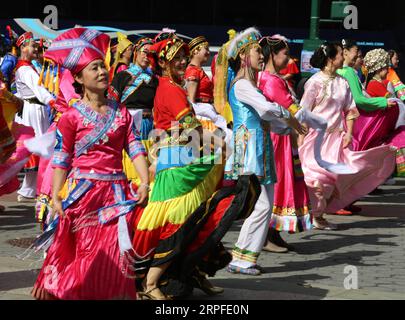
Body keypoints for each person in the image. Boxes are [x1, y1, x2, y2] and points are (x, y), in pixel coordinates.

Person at [132, 37, 261, 299]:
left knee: (196, 221)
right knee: (180, 225)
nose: (182, 61)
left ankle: (191, 272)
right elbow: (191, 128)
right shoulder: (170, 89)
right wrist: (221, 145)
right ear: (165, 62)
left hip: (185, 158)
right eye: (177, 58)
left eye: (184, 56)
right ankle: (151, 283)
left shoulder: (171, 86)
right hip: (178, 163)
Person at [31, 28, 150, 300]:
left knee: (113, 256)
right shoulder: (71, 117)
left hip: (116, 196)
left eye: (102, 67)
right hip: (83, 195)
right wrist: (56, 195)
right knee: (86, 256)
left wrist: (144, 182)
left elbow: (134, 148)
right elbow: (62, 157)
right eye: (94, 68)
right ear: (79, 78)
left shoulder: (120, 112)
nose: (101, 72)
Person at [218, 27, 306, 275]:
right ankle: (240, 257)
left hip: (260, 148)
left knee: (261, 205)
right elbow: (267, 109)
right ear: (244, 55)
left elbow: (268, 116)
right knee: (260, 204)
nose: (261, 55)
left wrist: (288, 126)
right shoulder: (242, 86)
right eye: (257, 51)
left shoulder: (250, 85)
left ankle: (241, 256)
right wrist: (288, 117)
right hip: (250, 150)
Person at [299, 42, 396, 230]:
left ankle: (317, 214)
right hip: (316, 138)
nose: (343, 57)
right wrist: (301, 135)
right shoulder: (315, 82)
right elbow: (304, 110)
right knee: (315, 177)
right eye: (340, 55)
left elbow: (350, 110)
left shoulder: (343, 82)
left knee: (335, 177)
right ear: (331, 59)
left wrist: (349, 133)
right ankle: (313, 214)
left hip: (336, 139)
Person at [258, 35, 312, 253]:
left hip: (282, 137)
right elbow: (290, 108)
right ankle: (267, 234)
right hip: (276, 139)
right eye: (285, 54)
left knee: (283, 182)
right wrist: (315, 121)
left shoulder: (271, 78)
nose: (289, 60)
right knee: (278, 184)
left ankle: (274, 233)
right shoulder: (270, 80)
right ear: (273, 54)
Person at [109, 37, 158, 183]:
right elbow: (112, 103)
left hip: (148, 124)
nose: (146, 56)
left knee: (147, 159)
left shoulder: (154, 80)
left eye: (150, 54)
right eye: (144, 52)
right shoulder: (123, 76)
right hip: (127, 123)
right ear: (135, 52)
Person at [14, 32, 55, 202]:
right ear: (23, 48)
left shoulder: (29, 67)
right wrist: (52, 101)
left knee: (38, 147)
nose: (36, 48)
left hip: (35, 109)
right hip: (32, 110)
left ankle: (29, 189)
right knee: (37, 146)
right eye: (32, 46)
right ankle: (33, 187)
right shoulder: (24, 69)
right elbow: (38, 89)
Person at [354, 49, 405, 178]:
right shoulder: (375, 85)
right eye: (385, 68)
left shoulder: (378, 83)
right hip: (378, 124)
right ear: (378, 69)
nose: (388, 71)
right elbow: (392, 101)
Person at [186, 36, 229, 135]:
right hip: (202, 114)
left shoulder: (198, 70)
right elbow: (191, 101)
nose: (209, 53)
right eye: (206, 49)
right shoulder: (193, 70)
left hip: (207, 111)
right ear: (196, 51)